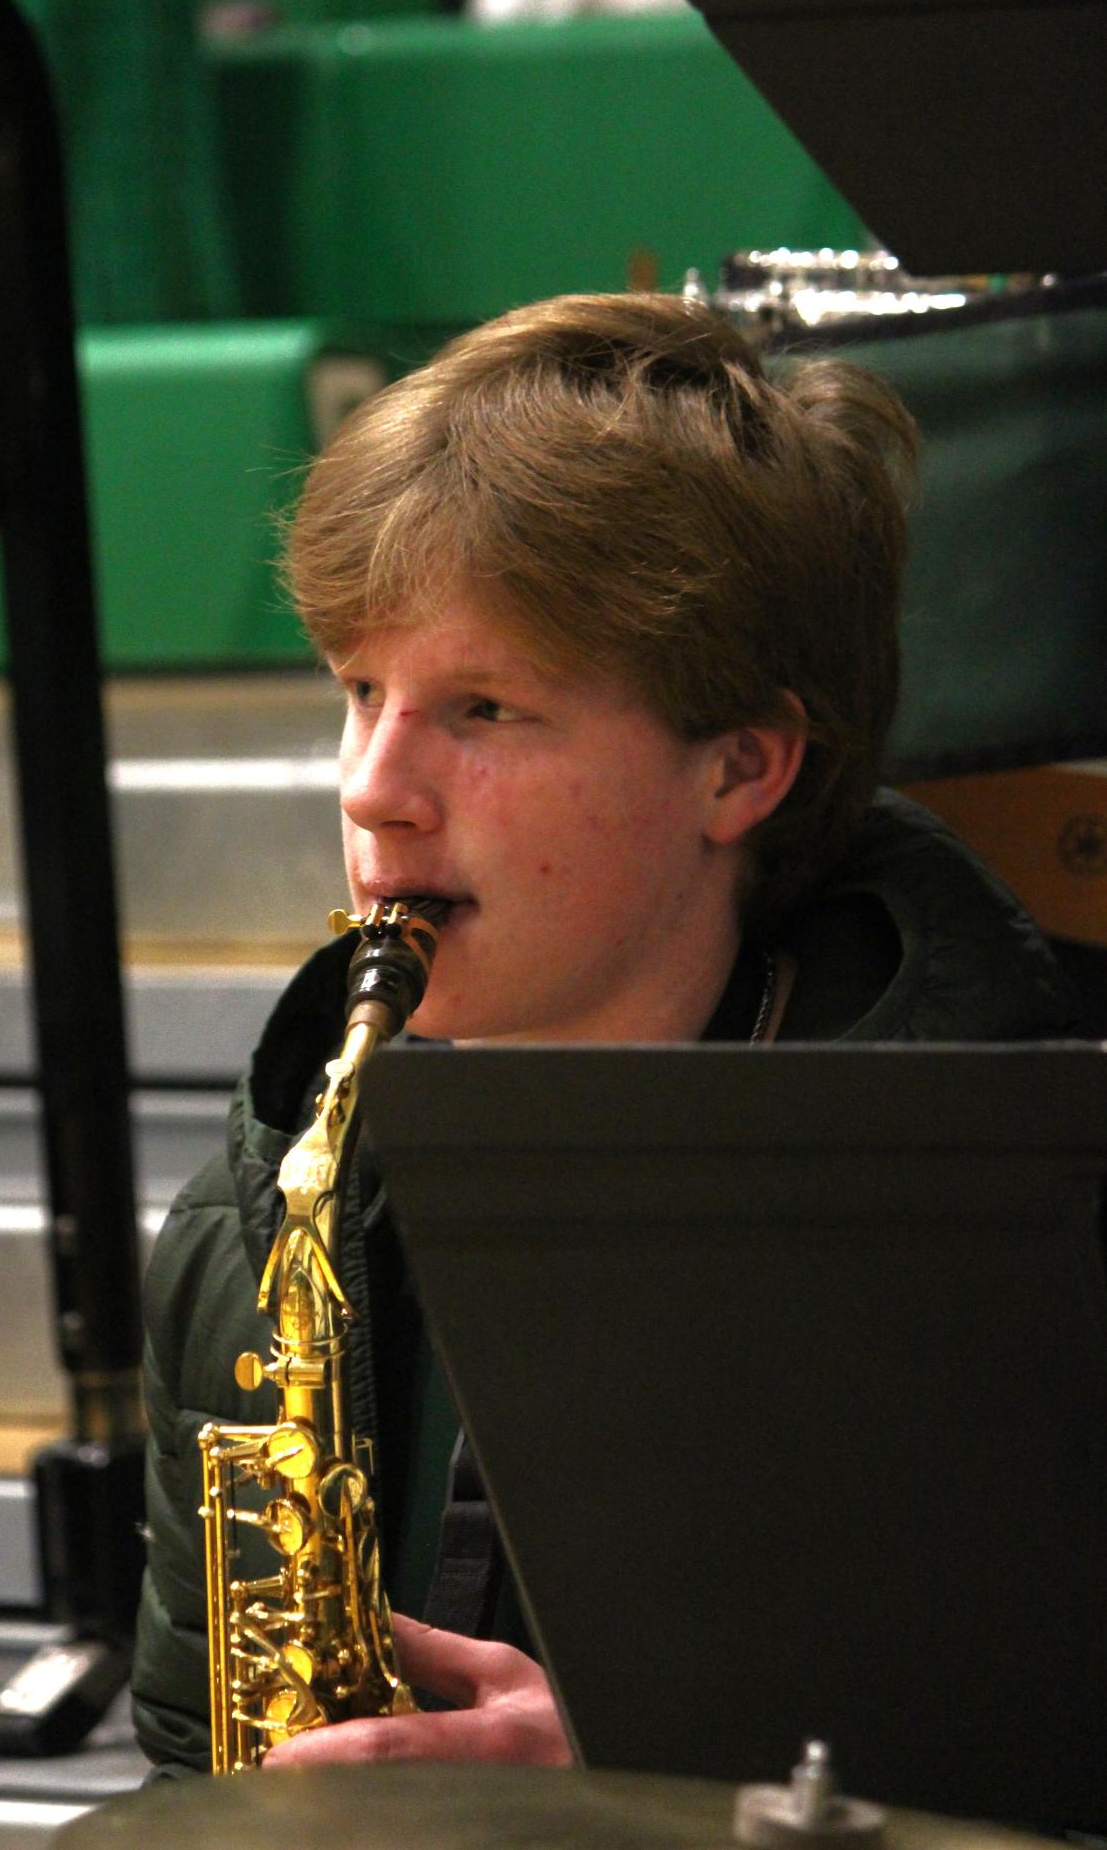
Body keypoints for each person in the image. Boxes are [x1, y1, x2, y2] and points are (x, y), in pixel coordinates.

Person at [131, 292, 1083, 1776]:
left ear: (740, 766)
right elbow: (194, 1757)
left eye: (485, 707)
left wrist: (665, 1760)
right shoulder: (254, 1215)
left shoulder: (1014, 1225)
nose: (373, 788)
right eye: (359, 693)